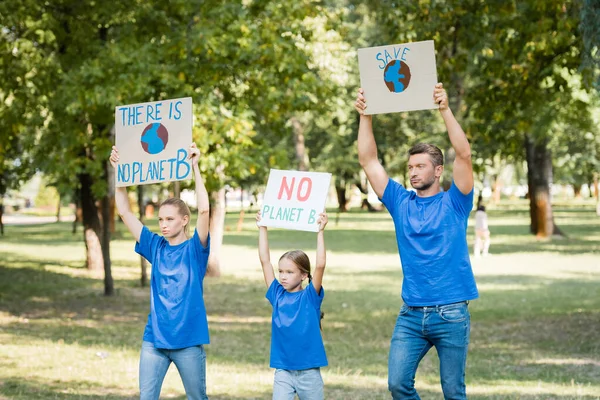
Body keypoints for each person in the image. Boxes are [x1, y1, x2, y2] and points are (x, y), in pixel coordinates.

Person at [354, 83, 479, 399]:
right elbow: (369, 160)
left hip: (450, 311)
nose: (412, 172)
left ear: (438, 171)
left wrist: (444, 109)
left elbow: (464, 153)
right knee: (397, 383)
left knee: (453, 390)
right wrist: (365, 115)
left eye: (420, 166)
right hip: (411, 313)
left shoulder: (456, 202)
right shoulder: (400, 201)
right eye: (410, 167)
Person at [109, 143, 211, 400]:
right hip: (154, 340)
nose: (163, 225)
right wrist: (119, 174)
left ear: (184, 220)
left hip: (188, 342)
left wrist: (196, 167)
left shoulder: (195, 250)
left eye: (170, 219)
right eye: (161, 219)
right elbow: (124, 211)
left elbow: (205, 210)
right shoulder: (155, 246)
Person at [256, 210, 329, 400]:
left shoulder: (310, 297)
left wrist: (320, 232)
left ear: (304, 275)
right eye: (281, 271)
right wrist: (262, 227)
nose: (282, 276)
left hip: (309, 374)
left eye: (289, 272)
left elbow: (320, 265)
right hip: (283, 372)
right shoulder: (277, 295)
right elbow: (264, 261)